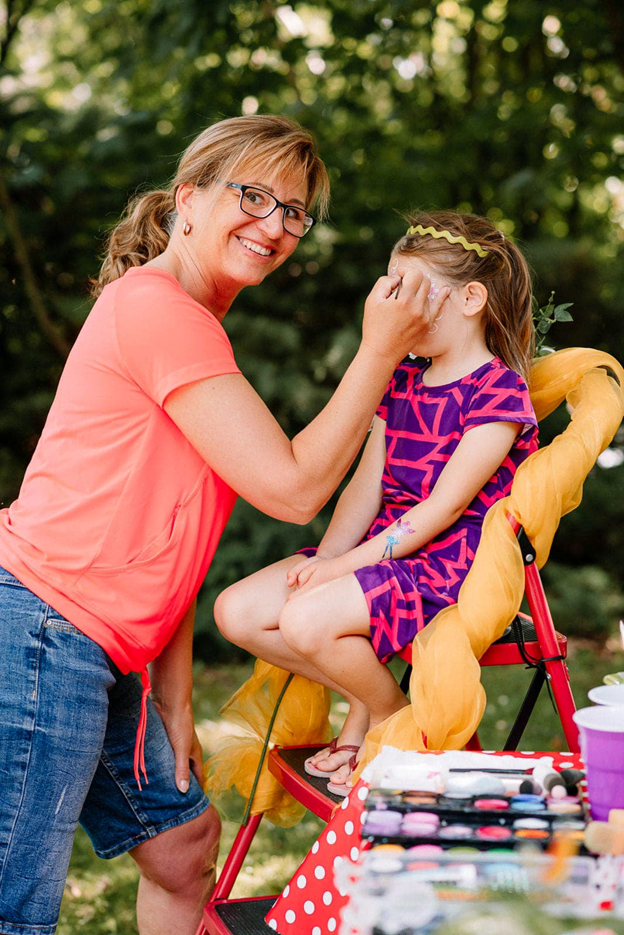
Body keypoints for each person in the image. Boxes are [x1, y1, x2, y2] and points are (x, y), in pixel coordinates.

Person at [0, 115, 438, 935]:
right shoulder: (157, 310)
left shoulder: (196, 325)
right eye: (253, 195)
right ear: (189, 201)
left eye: (294, 211)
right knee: (15, 905)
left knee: (184, 846)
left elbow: (176, 538)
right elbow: (295, 489)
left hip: (100, 645)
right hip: (41, 629)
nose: (274, 225)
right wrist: (379, 352)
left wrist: (173, 697)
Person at [215, 210, 539, 795]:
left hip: (446, 564)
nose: (394, 310)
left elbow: (439, 511)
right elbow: (366, 489)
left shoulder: (499, 393)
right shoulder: (403, 380)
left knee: (307, 619)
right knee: (237, 611)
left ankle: (387, 727)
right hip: (380, 553)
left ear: (470, 299)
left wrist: (338, 571)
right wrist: (326, 562)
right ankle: (384, 705)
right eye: (389, 291)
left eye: (409, 292)